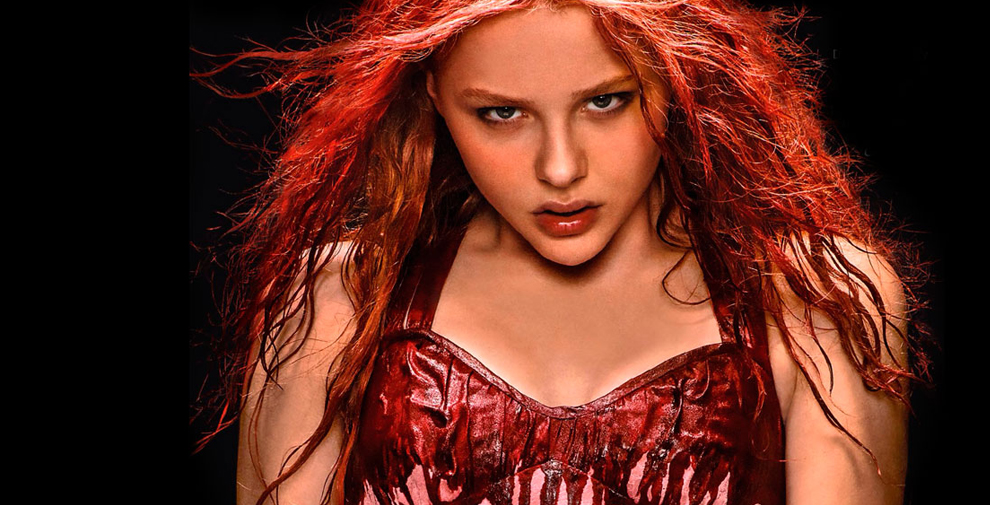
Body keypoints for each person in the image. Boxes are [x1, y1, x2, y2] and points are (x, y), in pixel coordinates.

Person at [190, 0, 931, 503]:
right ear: (433, 97)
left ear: (678, 78)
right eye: (501, 113)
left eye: (606, 101)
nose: (560, 168)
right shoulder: (335, 304)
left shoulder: (814, 300)